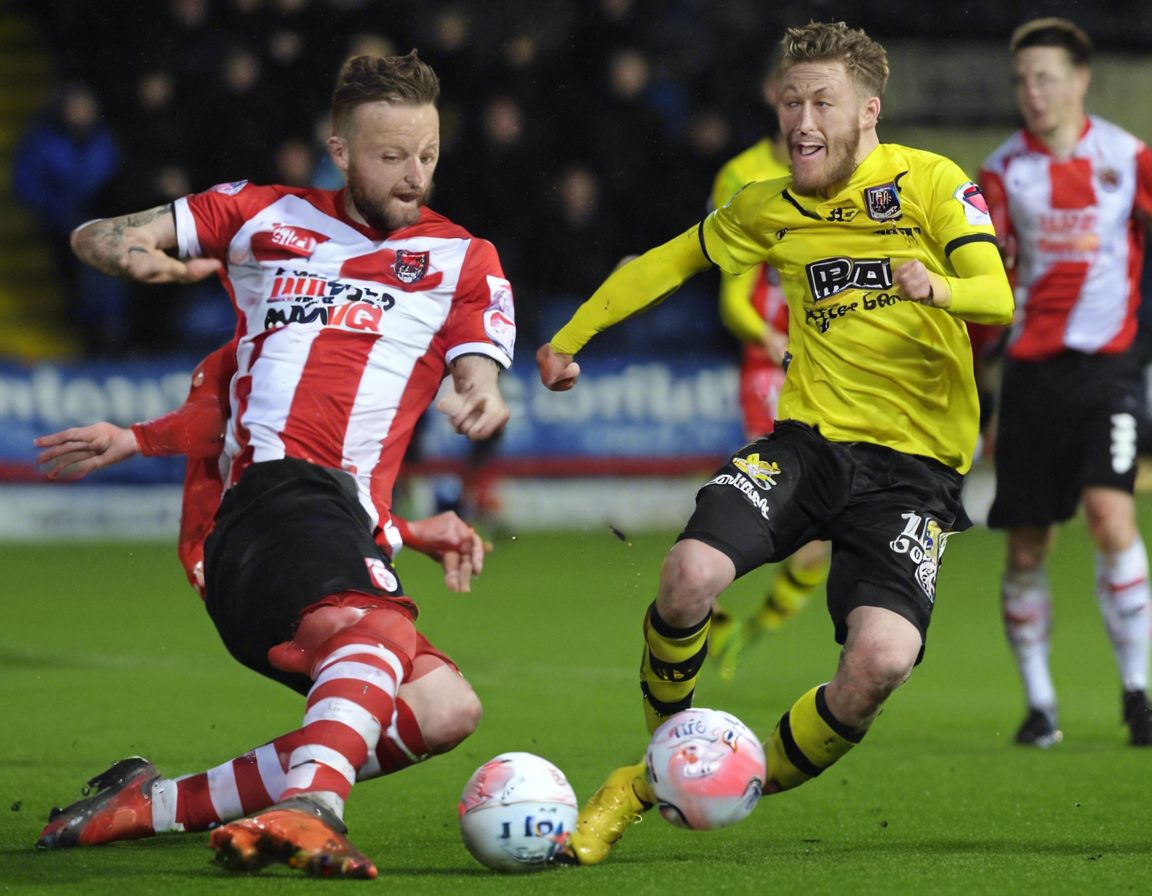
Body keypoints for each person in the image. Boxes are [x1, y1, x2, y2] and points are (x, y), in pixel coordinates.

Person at [537, 21, 1013, 865]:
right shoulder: (768, 205)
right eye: (792, 99)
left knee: (881, 663)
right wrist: (571, 338)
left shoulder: (932, 182)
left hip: (916, 475)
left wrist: (938, 285)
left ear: (868, 109)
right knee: (689, 576)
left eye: (822, 101)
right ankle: (666, 752)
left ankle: (646, 785)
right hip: (811, 445)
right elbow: (665, 263)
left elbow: (996, 293)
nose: (802, 119)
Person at [35, 51, 515, 878]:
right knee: (383, 629)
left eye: (428, 155)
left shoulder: (465, 260)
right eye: (391, 156)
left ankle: (147, 806)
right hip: (264, 504)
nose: (414, 176)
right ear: (339, 148)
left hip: (338, 525)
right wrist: (131, 256)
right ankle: (310, 807)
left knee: (442, 710)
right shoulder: (262, 215)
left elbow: (478, 365)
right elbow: (98, 232)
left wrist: (481, 395)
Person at [978, 18, 1152, 748]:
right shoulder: (1000, 172)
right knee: (1027, 546)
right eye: (1021, 79)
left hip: (1110, 370)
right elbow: (984, 282)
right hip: (1031, 376)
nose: (1032, 92)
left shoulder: (1130, 158)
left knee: (1113, 517)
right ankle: (1041, 705)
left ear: (1081, 78)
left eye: (1045, 77)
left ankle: (1138, 693)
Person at [705, 69, 830, 681]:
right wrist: (772, 338)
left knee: (817, 542)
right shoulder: (740, 176)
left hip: (832, 367)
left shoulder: (849, 172)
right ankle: (707, 608)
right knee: (764, 503)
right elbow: (732, 296)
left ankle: (745, 630)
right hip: (772, 366)